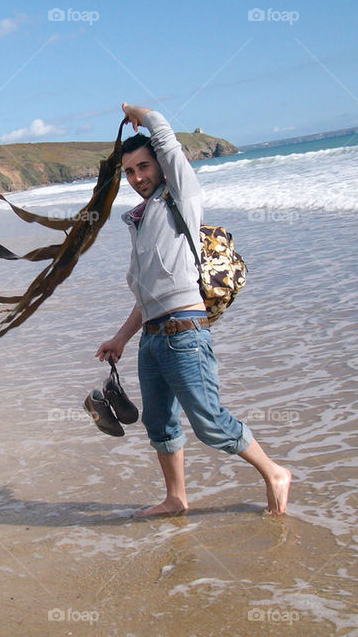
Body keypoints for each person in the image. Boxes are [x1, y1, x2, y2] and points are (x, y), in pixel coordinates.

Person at [96, 103, 291, 517]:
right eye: (129, 171)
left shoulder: (180, 197)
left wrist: (139, 112)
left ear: (162, 166)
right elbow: (149, 296)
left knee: (210, 422)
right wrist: (120, 339)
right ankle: (175, 498)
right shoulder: (142, 219)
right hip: (152, 338)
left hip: (184, 335)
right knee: (159, 425)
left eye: (144, 167)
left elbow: (164, 136)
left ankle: (274, 472)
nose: (137, 178)